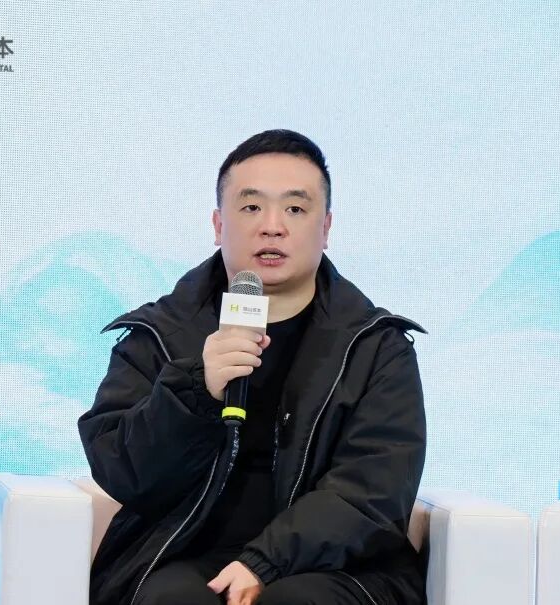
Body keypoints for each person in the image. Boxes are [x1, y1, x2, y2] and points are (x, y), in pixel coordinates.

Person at [78, 129, 427, 605]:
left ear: (326, 229)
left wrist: (265, 561)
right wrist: (195, 391)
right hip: (180, 551)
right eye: (251, 207)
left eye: (295, 209)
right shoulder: (157, 334)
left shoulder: (376, 347)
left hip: (337, 564)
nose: (272, 226)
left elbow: (374, 491)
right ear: (218, 224)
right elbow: (121, 471)